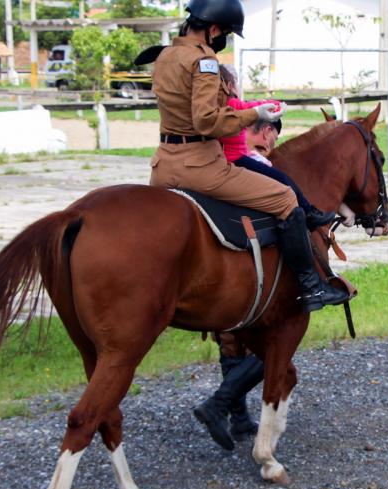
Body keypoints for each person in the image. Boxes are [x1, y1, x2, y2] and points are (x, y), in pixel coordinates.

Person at [148, 0, 349, 450]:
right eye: (225, 35)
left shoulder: (165, 54)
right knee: (282, 196)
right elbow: (208, 122)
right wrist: (255, 114)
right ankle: (309, 285)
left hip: (163, 164)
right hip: (200, 163)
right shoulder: (204, 60)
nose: (222, 42)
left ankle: (231, 400)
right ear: (215, 28)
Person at [217, 65, 336, 230]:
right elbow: (251, 105)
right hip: (237, 159)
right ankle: (309, 213)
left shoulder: (218, 107)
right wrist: (274, 104)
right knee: (283, 180)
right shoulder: (232, 104)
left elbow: (250, 105)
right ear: (230, 86)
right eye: (235, 82)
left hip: (230, 157)